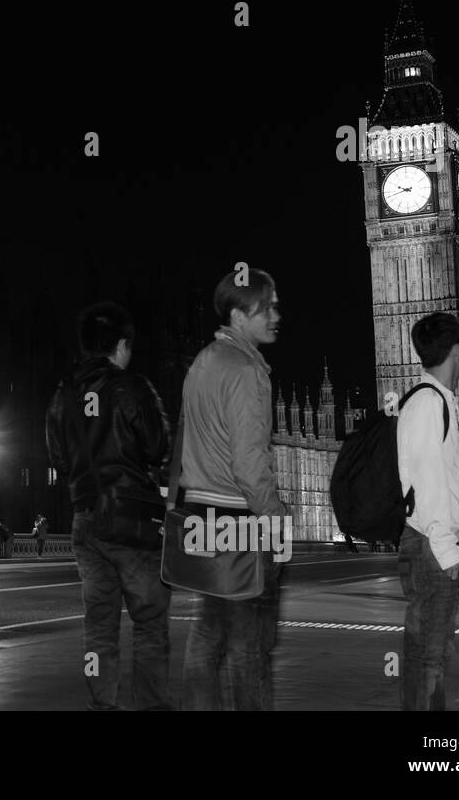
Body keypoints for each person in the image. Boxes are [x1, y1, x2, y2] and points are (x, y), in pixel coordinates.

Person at [46, 301, 171, 710]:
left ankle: (103, 704)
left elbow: (58, 458)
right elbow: (158, 447)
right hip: (131, 520)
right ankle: (150, 704)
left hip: (85, 519)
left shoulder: (62, 395)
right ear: (120, 345)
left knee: (99, 627)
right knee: (148, 622)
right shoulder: (131, 386)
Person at [177, 268, 286, 711]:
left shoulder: (203, 361)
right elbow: (248, 462)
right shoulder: (245, 370)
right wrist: (276, 520)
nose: (277, 315)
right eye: (268, 307)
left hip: (201, 514)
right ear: (240, 315)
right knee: (249, 648)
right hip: (240, 520)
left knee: (208, 635)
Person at [397, 312, 459, 711]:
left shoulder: (432, 401)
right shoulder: (428, 404)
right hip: (431, 546)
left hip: (428, 544)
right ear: (456, 351)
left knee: (425, 652)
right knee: (431, 657)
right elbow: (426, 482)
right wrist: (447, 549)